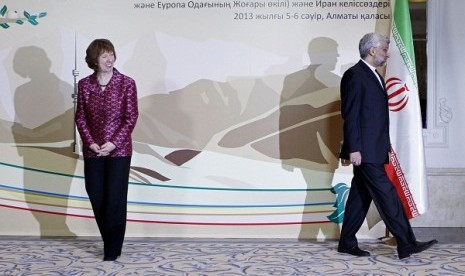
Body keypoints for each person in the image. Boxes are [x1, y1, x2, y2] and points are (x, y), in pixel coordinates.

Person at [337, 33, 437, 259]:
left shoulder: (374, 76)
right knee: (388, 195)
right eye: (384, 49)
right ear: (372, 50)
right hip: (364, 151)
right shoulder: (355, 75)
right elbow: (350, 115)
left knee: (360, 196)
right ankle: (407, 243)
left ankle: (346, 242)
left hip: (374, 149)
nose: (387, 53)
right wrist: (354, 149)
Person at [75, 39, 138, 261]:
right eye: (104, 55)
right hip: (93, 150)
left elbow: (131, 118)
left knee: (115, 199)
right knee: (95, 193)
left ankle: (111, 249)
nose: (109, 59)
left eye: (111, 54)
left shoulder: (126, 83)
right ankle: (110, 240)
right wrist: (90, 142)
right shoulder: (84, 84)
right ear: (94, 59)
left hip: (118, 151)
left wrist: (113, 143)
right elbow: (80, 117)